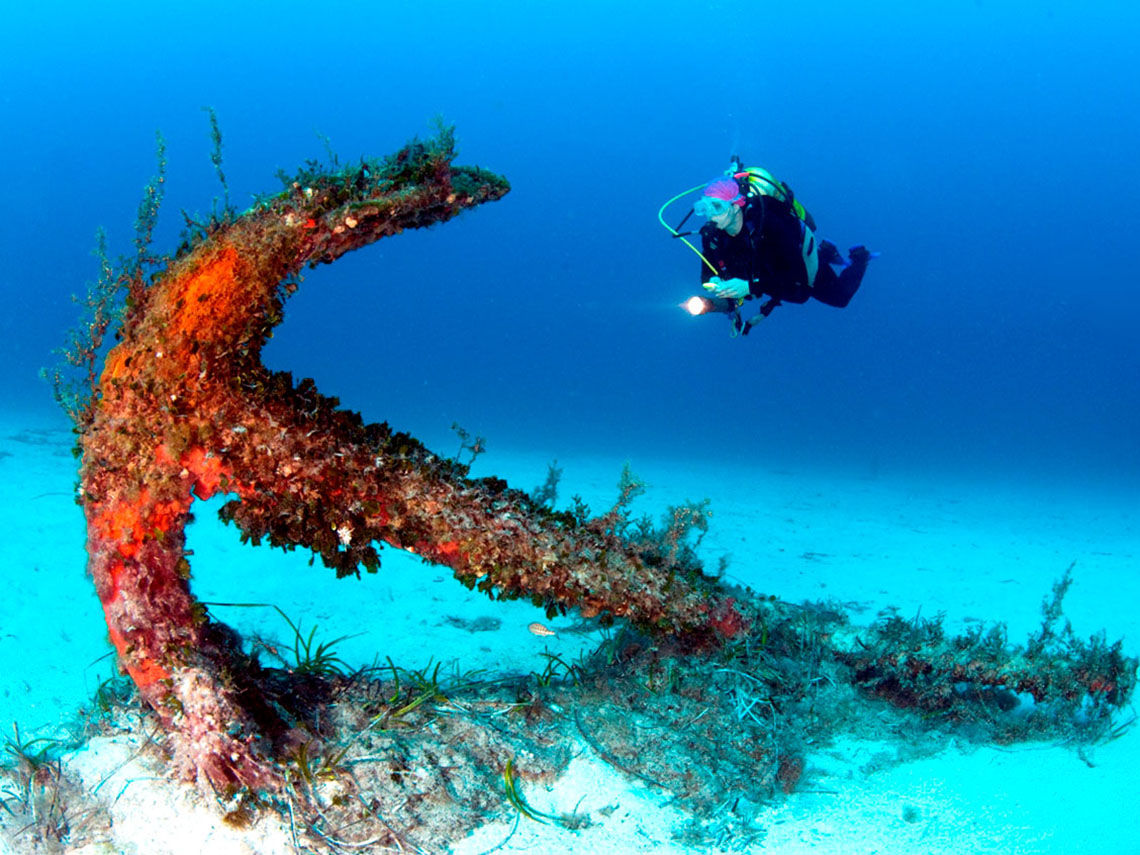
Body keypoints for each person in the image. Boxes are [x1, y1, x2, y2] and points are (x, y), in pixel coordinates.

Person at [687, 160, 875, 335]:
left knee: (839, 298)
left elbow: (796, 280)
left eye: (717, 207)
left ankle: (859, 258)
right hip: (765, 274)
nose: (710, 215)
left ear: (736, 206)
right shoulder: (712, 235)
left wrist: (750, 287)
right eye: (704, 208)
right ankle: (826, 253)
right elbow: (707, 273)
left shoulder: (768, 225)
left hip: (796, 259)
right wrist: (714, 283)